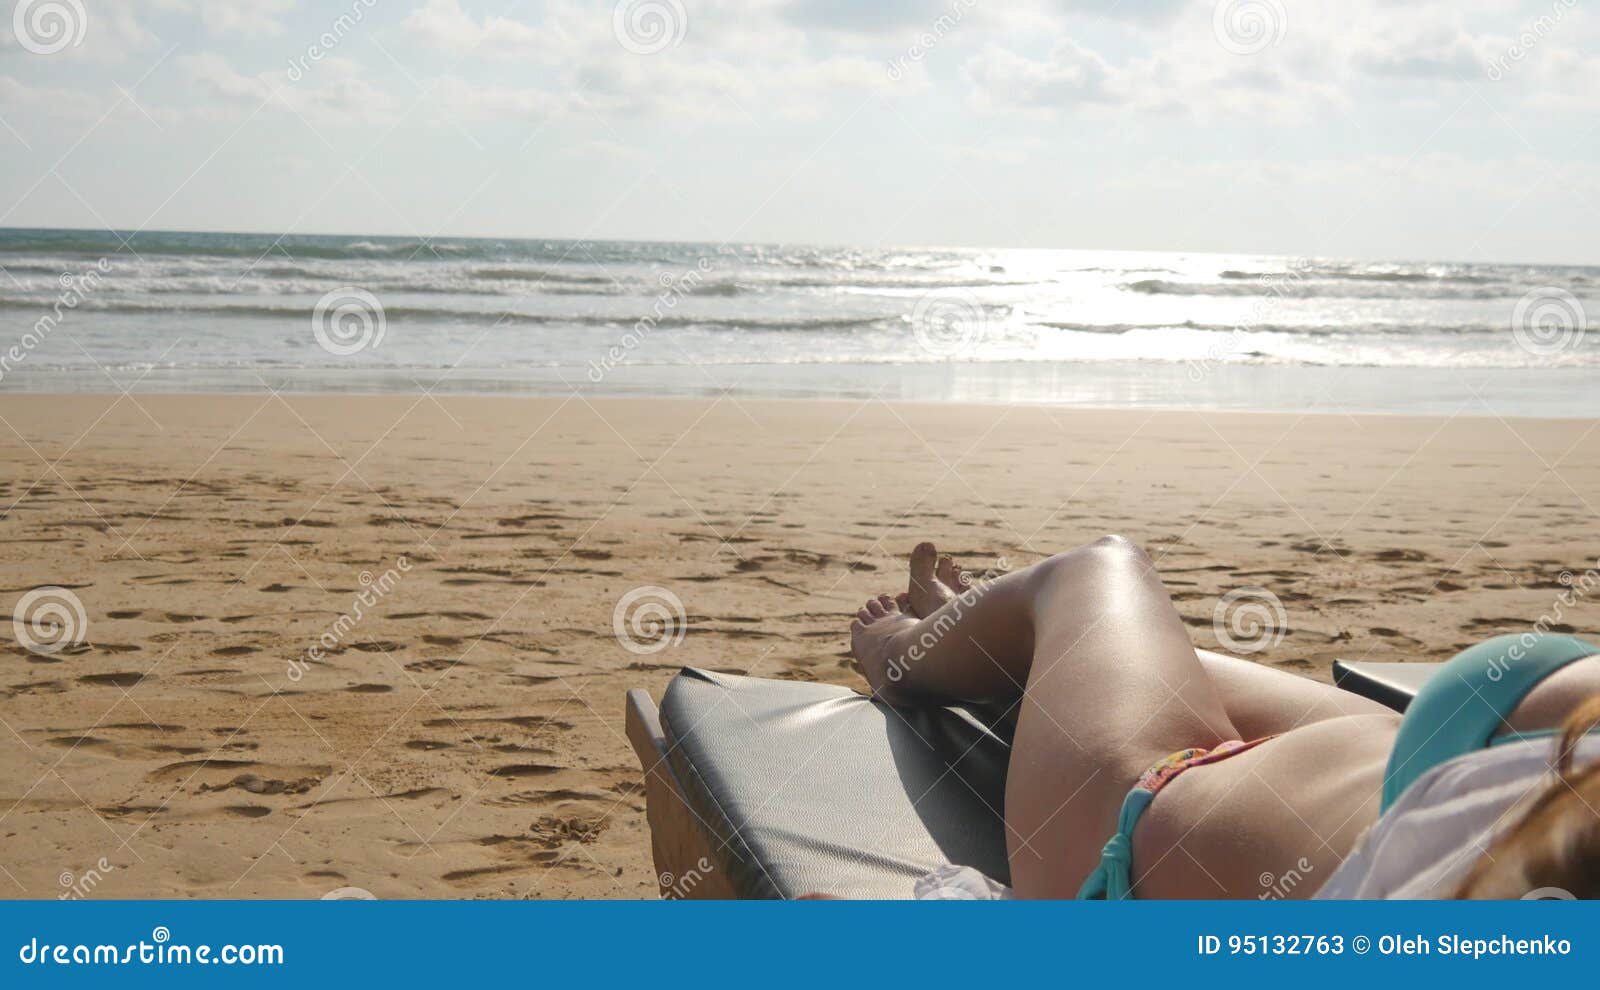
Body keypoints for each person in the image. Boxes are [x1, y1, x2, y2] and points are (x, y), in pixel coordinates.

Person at [846, 538, 1600, 899]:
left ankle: (905, 655)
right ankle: (1000, 651)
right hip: (1426, 757)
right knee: (1119, 653)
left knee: (1098, 572)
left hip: (1139, 833)